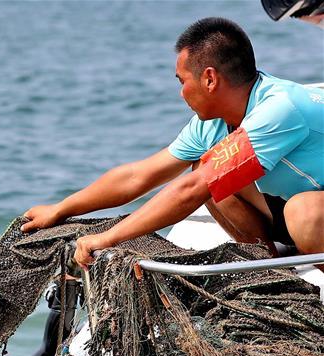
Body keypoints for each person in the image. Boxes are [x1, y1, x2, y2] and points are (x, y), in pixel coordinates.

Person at [21, 17, 323, 269]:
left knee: (302, 211)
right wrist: (61, 209)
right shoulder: (214, 122)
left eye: (182, 81)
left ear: (209, 79)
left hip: (310, 210)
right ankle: (269, 269)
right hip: (290, 207)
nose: (181, 93)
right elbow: (138, 176)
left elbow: (190, 191)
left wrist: (109, 238)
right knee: (206, 168)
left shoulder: (279, 108)